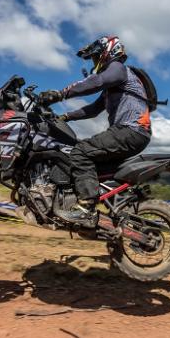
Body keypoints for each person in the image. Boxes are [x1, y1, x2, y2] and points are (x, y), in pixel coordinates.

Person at [38, 36, 151, 227]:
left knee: (80, 152)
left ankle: (86, 207)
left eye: (96, 56)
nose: (94, 61)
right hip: (133, 133)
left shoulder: (119, 69)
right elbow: (93, 109)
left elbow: (96, 81)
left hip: (130, 130)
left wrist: (60, 94)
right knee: (95, 164)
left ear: (108, 52)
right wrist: (65, 117)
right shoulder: (115, 83)